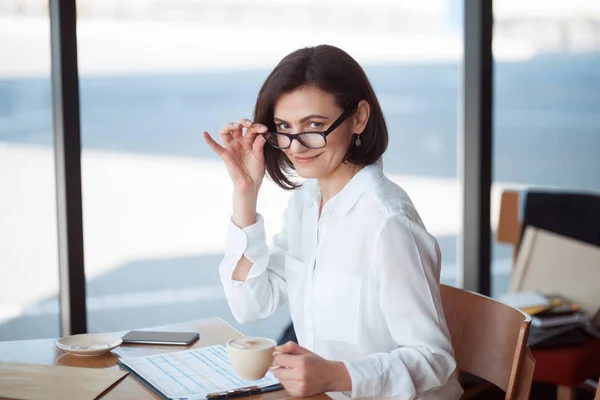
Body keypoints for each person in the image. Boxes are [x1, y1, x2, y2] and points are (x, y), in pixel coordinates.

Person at [203, 45, 463, 399]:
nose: (296, 147)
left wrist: (338, 375)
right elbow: (251, 305)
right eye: (284, 127)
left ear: (358, 118)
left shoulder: (388, 222)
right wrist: (245, 193)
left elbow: (434, 359)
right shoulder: (306, 205)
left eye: (314, 125)